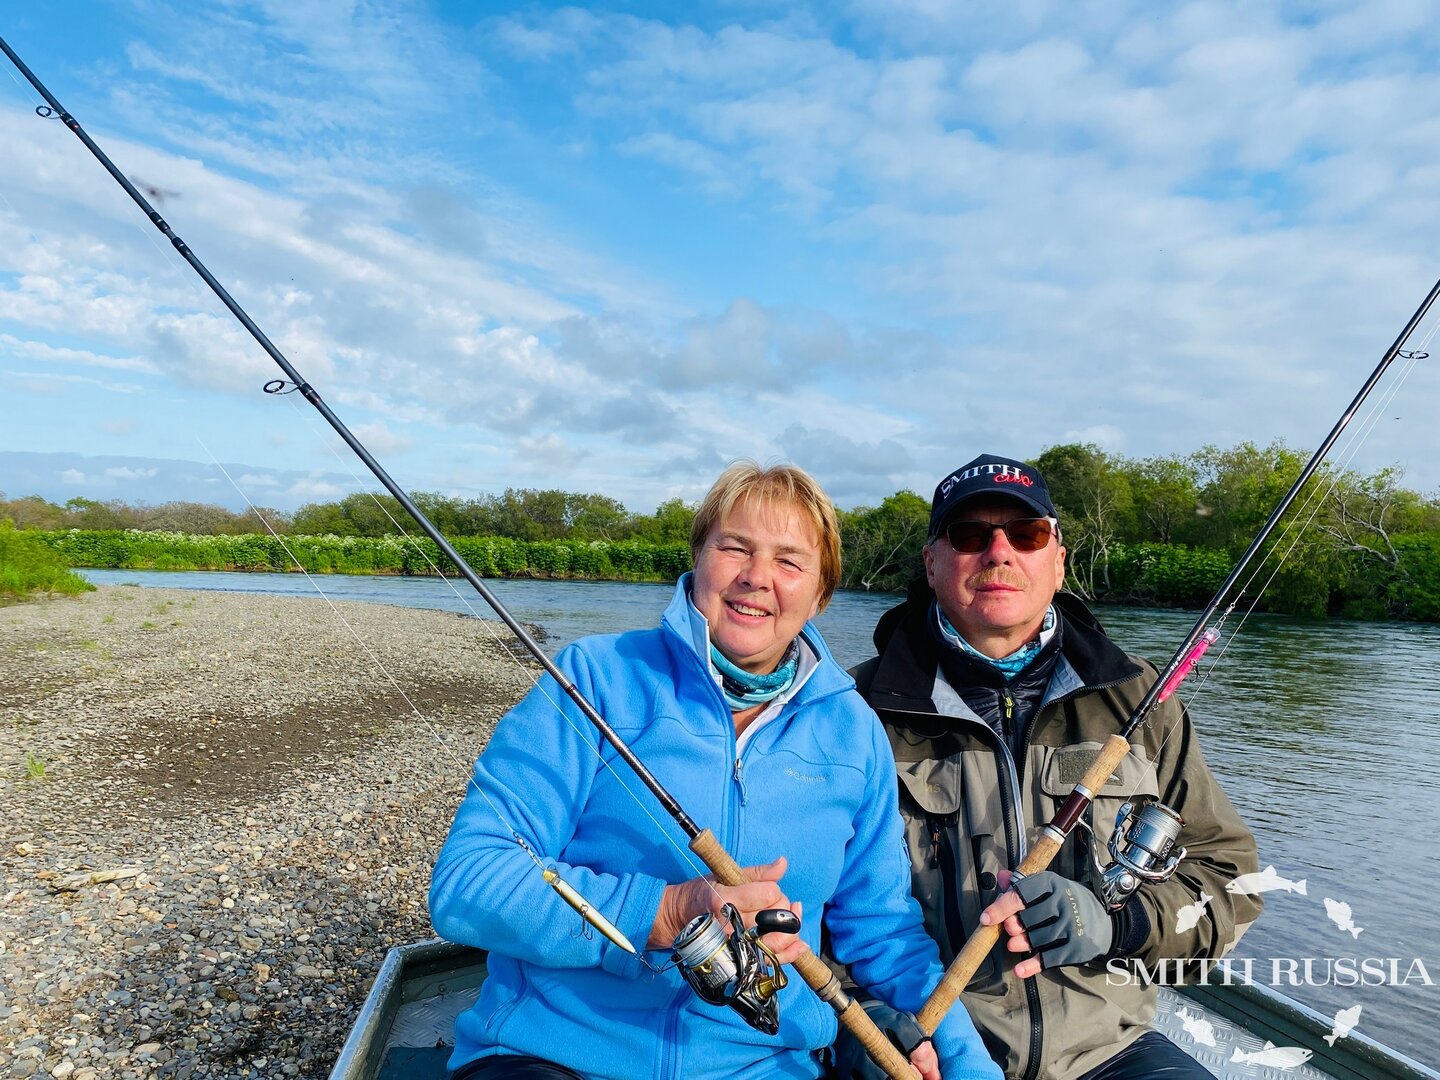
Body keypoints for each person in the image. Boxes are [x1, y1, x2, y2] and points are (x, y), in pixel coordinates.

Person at [430, 462, 1002, 1080]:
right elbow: (468, 882)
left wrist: (971, 1067)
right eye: (734, 548)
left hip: (768, 1066)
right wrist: (666, 912)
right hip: (549, 1053)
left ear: (821, 595)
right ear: (698, 558)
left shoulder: (854, 729)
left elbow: (884, 933)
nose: (757, 577)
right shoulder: (592, 677)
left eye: (790, 561)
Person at [839, 453, 1262, 1080]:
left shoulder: (1141, 697)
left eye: (1027, 534)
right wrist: (860, 1025)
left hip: (1111, 1050)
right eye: (969, 535)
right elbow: (810, 903)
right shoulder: (852, 712)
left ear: (1058, 561)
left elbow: (1229, 877)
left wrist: (1117, 924)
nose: (999, 552)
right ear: (931, 563)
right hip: (931, 1053)